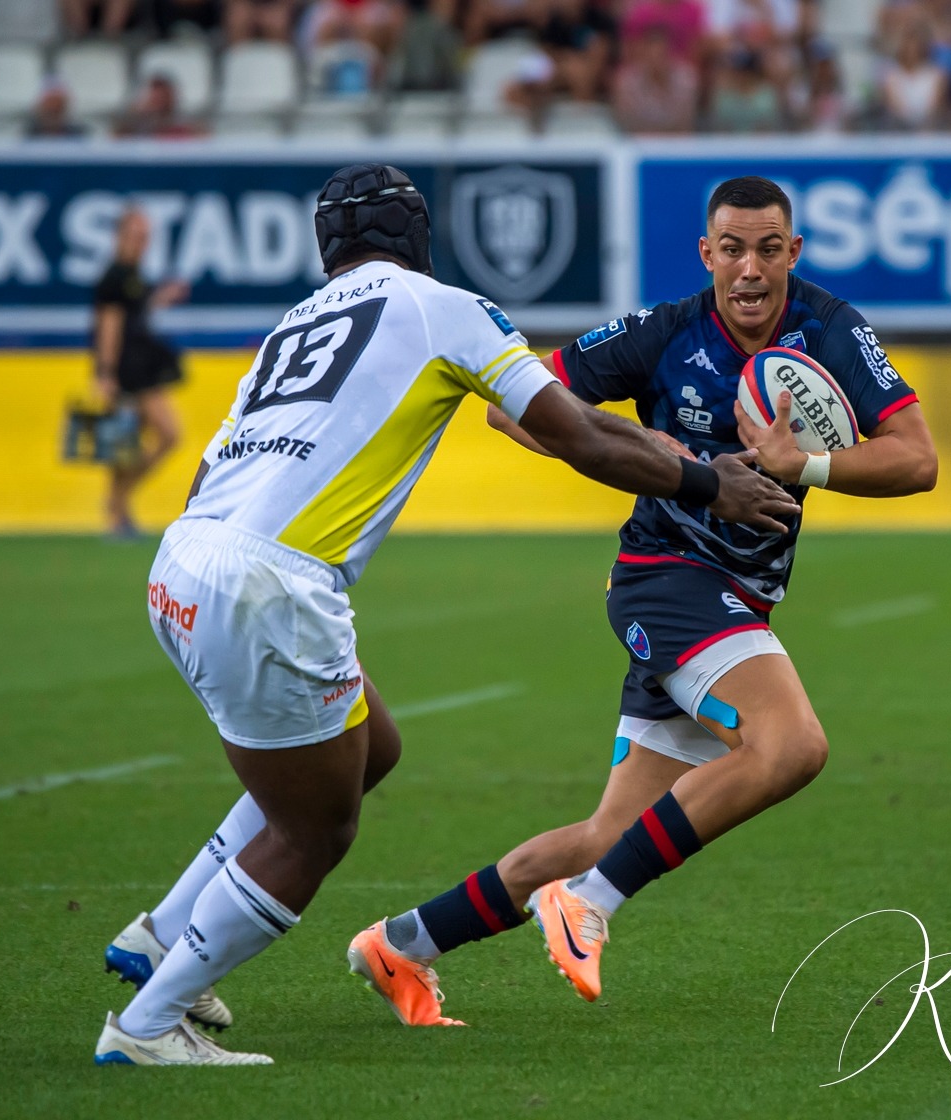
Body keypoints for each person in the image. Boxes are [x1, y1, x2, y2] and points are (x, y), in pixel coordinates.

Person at [90, 163, 800, 1066]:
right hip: (271, 581)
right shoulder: (439, 305)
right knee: (317, 828)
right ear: (416, 236)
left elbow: (211, 467)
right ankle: (151, 1021)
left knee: (368, 748)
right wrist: (707, 481)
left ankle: (160, 933)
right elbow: (574, 431)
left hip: (184, 558)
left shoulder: (295, 324)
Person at [348, 175, 938, 1026]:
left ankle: (402, 943)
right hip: (667, 584)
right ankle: (588, 902)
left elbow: (916, 459)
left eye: (769, 249)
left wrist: (798, 464)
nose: (749, 269)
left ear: (793, 253)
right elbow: (513, 413)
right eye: (731, 249)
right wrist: (652, 443)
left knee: (606, 832)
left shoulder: (832, 331)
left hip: (740, 601)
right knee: (791, 746)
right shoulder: (664, 333)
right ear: (707, 254)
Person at [91, 209, 188, 538]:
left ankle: (118, 506)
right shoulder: (115, 277)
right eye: (137, 235)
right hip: (129, 372)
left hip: (141, 367)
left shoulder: (131, 274)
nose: (142, 243)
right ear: (120, 235)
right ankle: (117, 503)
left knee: (128, 446)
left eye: (146, 237)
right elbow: (109, 326)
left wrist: (161, 297)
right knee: (165, 434)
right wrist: (105, 373)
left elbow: (136, 311)